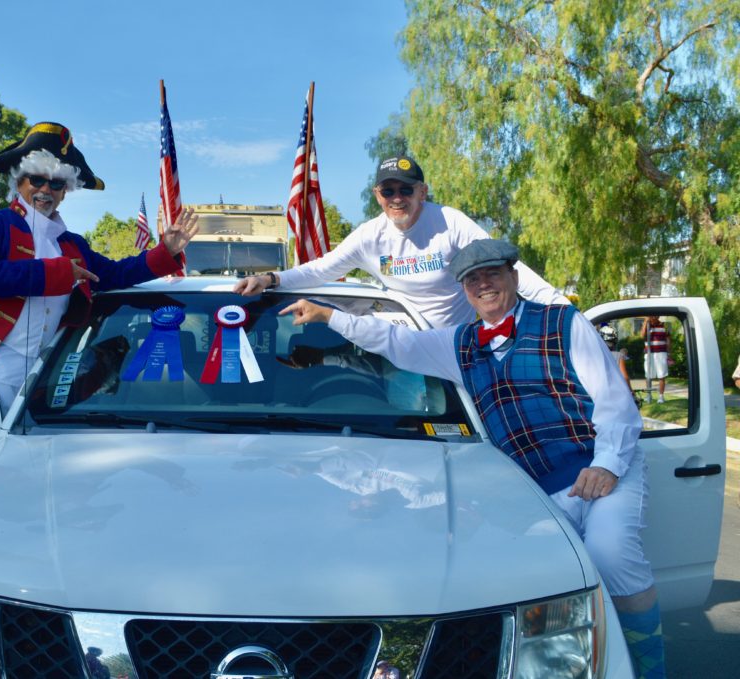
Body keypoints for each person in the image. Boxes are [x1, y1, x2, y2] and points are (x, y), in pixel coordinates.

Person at [280, 239, 665, 679]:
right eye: (472, 279)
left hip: (601, 468)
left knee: (610, 554)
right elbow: (395, 342)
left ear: (513, 276)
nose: (484, 285)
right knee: (542, 582)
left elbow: (614, 401)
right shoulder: (459, 343)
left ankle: (650, 671)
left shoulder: (563, 322)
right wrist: (329, 316)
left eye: (492, 274)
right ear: (464, 290)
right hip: (536, 495)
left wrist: (607, 464)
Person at [0, 122, 199, 411]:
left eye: (56, 184)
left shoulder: (73, 245)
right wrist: (60, 273)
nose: (45, 190)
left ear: (65, 192)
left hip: (42, 381)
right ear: (19, 182)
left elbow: (116, 274)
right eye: (37, 180)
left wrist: (166, 251)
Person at [233, 156, 567, 328]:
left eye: (406, 189)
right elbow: (319, 271)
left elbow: (507, 269)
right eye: (388, 190)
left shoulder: (451, 222)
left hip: (457, 347)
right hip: (405, 350)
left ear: (422, 192)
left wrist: (565, 314)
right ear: (377, 195)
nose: (397, 198)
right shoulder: (369, 236)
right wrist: (270, 279)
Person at [641, 316, 669, 403]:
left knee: (661, 375)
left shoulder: (664, 325)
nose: (653, 318)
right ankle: (649, 395)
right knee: (648, 375)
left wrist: (669, 353)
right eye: (651, 316)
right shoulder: (647, 325)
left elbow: (668, 340)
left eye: (655, 316)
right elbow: (642, 335)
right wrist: (645, 322)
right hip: (649, 353)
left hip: (661, 353)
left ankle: (661, 396)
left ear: (658, 317)